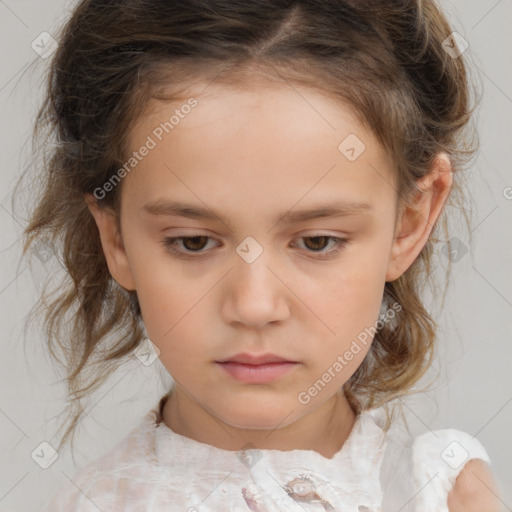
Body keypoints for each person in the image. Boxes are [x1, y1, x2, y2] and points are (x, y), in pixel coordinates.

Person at [22, 0, 502, 510]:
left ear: (409, 223)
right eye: (193, 242)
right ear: (115, 237)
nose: (254, 307)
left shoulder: (439, 490)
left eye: (318, 241)